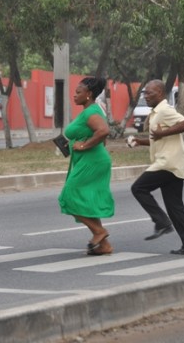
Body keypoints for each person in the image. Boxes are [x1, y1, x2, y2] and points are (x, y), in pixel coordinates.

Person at [129, 80, 184, 255]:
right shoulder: (156, 113)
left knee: (138, 188)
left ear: (160, 93)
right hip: (173, 164)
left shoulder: (165, 110)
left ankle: (161, 222)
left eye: (149, 93)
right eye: (144, 93)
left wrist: (162, 132)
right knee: (175, 208)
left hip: (168, 163)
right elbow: (157, 139)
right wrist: (140, 141)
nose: (145, 96)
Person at [58, 77, 115, 255]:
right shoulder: (90, 110)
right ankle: (104, 245)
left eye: (78, 92)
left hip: (92, 161)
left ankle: (99, 231)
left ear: (89, 94)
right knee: (87, 201)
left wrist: (83, 145)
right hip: (89, 160)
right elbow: (98, 134)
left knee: (68, 196)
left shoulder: (91, 112)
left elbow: (104, 131)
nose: (74, 95)